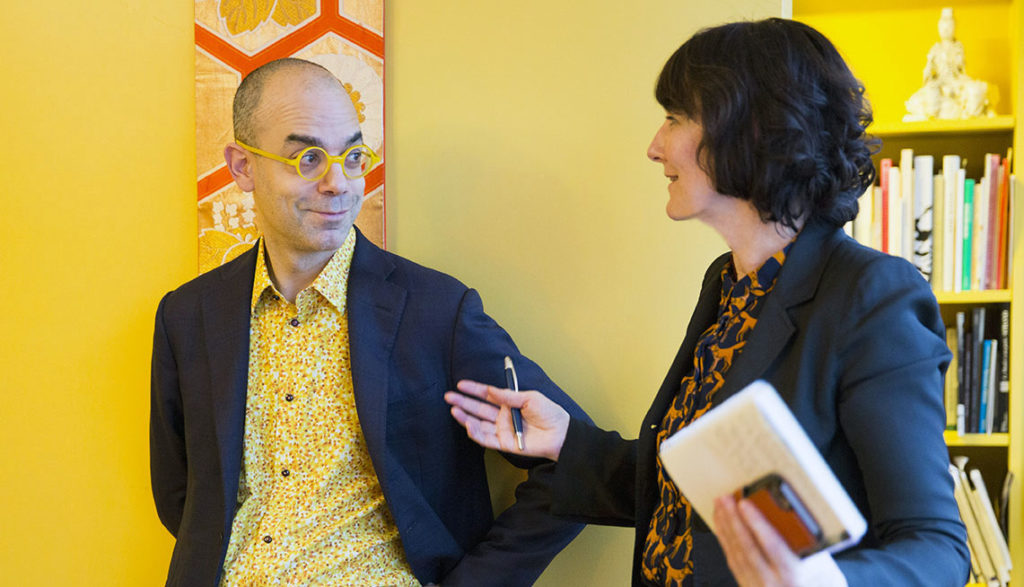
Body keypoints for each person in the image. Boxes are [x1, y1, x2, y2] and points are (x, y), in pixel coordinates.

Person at [445, 18, 970, 586]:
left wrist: (824, 583)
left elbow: (936, 548)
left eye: (674, 118)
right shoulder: (726, 283)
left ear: (749, 129)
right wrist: (567, 442)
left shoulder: (871, 295)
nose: (654, 146)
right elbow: (696, 499)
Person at [150, 57, 588, 586]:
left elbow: (578, 460)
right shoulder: (188, 315)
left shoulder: (436, 311)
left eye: (352, 156)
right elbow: (184, 498)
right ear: (242, 167)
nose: (338, 182)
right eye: (307, 158)